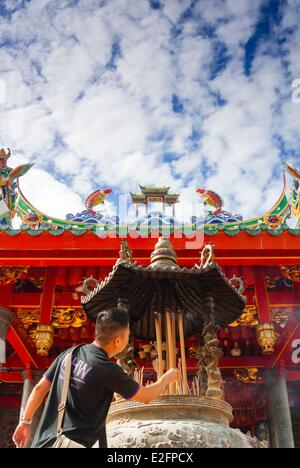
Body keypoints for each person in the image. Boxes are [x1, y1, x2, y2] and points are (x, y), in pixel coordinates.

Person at [12, 307, 180, 448]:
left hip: (44, 442)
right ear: (118, 340)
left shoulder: (69, 354)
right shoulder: (107, 369)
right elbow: (145, 396)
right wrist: (165, 378)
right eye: (127, 336)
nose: (127, 341)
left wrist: (25, 422)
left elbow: (39, 389)